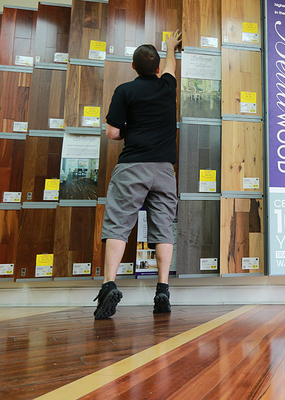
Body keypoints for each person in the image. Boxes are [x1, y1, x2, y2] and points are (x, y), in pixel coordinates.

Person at [93, 30, 182, 320]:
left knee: (118, 223)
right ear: (157, 68)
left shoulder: (124, 91)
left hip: (133, 166)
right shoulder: (168, 86)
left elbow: (112, 132)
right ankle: (163, 290)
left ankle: (109, 285)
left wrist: (132, 129)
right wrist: (171, 48)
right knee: (164, 227)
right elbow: (171, 67)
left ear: (133, 67)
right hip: (165, 170)